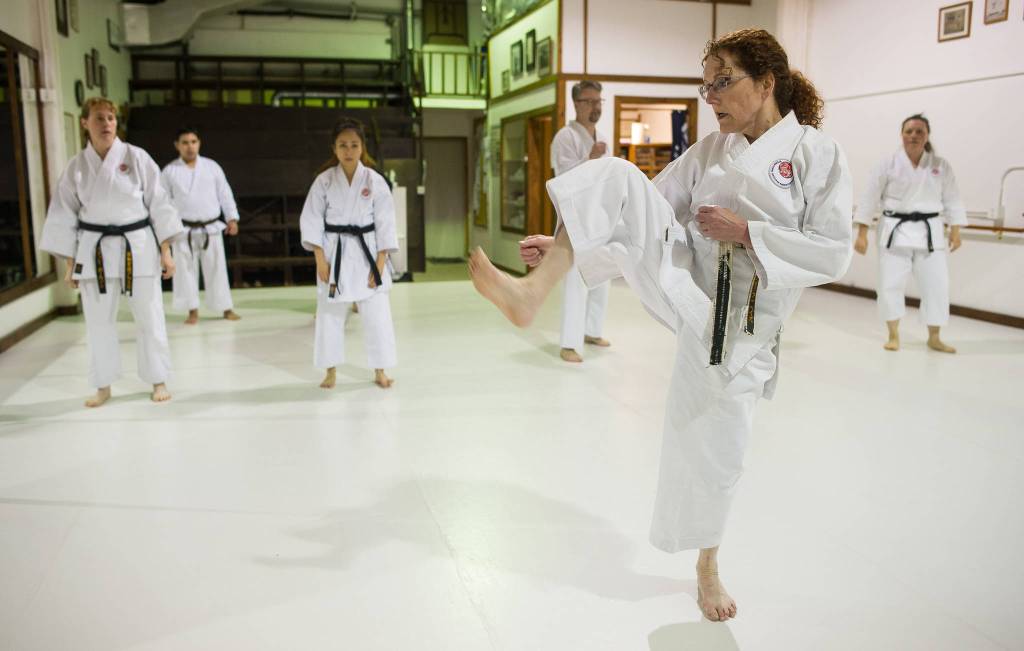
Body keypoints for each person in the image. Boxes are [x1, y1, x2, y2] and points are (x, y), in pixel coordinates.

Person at [473, 29, 852, 622]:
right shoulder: (710, 151)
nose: (711, 98)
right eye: (706, 86)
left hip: (744, 330)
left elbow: (833, 252)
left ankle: (707, 566)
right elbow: (645, 204)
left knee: (712, 452)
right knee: (618, 177)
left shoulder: (816, 155)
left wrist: (747, 231)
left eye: (722, 82)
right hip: (687, 286)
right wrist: (566, 241)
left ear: (767, 81)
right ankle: (533, 292)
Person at [40, 97, 183, 407]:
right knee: (98, 321)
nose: (106, 124)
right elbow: (63, 215)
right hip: (94, 252)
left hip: (139, 245)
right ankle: (103, 385)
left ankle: (158, 379)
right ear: (84, 123)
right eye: (99, 118)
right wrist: (70, 264)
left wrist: (166, 251)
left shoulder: (136, 157)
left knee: (150, 316)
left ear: (117, 123)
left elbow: (160, 204)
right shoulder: (76, 167)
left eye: (110, 119)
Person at [299, 117, 398, 389]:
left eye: (354, 145)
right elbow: (311, 220)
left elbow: (386, 223)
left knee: (377, 314)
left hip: (368, 252)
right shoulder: (324, 181)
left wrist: (380, 263)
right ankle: (330, 370)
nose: (348, 150)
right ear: (334, 148)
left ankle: (380, 369)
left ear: (362, 147)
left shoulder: (374, 180)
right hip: (335, 252)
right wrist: (319, 258)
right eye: (343, 145)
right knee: (330, 314)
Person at [853, 114, 965, 353]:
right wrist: (861, 233)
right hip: (894, 232)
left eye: (919, 132)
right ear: (901, 134)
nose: (914, 135)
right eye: (909, 131)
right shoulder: (887, 164)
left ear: (927, 136)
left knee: (937, 285)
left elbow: (953, 199)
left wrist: (955, 230)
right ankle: (893, 334)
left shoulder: (940, 165)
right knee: (889, 285)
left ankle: (934, 336)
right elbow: (869, 199)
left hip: (930, 234)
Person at [543, 79, 613, 363]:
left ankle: (592, 330)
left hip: (598, 217)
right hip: (573, 219)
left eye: (599, 101)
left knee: (601, 276)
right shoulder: (565, 137)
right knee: (575, 281)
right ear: (576, 104)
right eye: (590, 102)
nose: (596, 107)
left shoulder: (600, 135)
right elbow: (562, 179)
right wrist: (589, 158)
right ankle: (569, 343)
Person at [161, 126, 242, 325]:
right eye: (185, 143)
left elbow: (225, 193)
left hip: (211, 227)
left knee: (217, 269)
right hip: (182, 229)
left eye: (193, 142)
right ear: (177, 145)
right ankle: (192, 311)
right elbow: (162, 202)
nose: (190, 147)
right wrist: (166, 229)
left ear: (199, 143)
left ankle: (225, 307)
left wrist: (232, 218)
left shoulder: (212, 166)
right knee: (184, 272)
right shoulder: (170, 171)